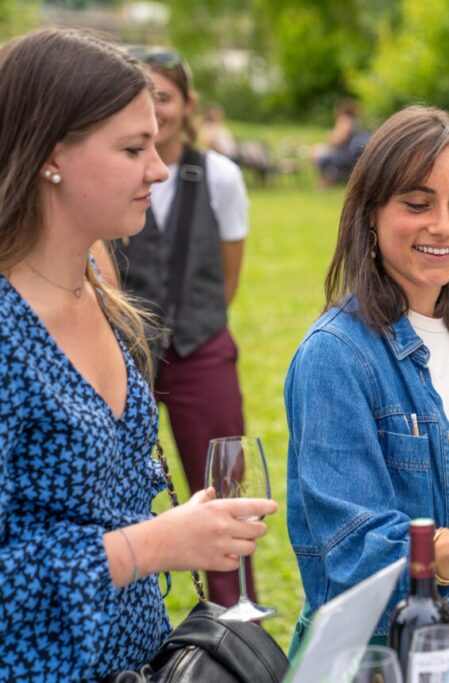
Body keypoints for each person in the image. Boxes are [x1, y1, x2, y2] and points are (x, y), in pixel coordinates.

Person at [0, 28, 276, 680]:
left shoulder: (100, 294)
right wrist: (156, 543)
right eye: (133, 147)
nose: (158, 167)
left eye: (156, 141)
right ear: (49, 154)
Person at [285, 105, 449, 652]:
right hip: (382, 658)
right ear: (370, 213)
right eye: (417, 203)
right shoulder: (334, 357)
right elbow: (355, 557)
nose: (443, 226)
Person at [110, 46, 255, 608]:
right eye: (141, 96)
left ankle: (235, 619)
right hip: (129, 355)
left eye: (163, 97)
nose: (154, 109)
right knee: (121, 490)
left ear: (188, 103)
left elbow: (228, 274)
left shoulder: (219, 175)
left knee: (224, 487)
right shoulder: (110, 172)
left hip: (202, 346)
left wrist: (194, 321)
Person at [313, 97, 371, 187]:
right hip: (350, 154)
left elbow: (338, 139)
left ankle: (325, 181)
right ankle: (328, 180)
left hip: (344, 155)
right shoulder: (356, 121)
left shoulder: (344, 121)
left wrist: (330, 138)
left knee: (318, 154)